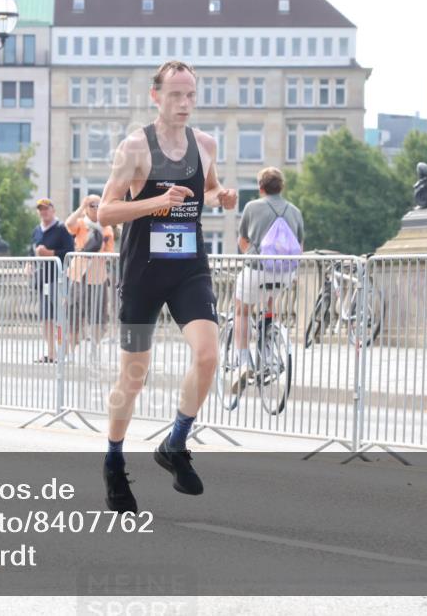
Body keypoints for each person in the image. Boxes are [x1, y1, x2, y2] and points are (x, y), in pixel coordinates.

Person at [97, 60, 237, 513]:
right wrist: (157, 201)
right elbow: (105, 212)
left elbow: (208, 189)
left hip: (188, 269)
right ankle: (114, 461)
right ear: (155, 96)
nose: (184, 103)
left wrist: (221, 196)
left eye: (191, 94)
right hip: (142, 273)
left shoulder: (206, 144)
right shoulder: (135, 147)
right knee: (134, 376)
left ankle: (175, 443)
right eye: (175, 94)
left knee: (208, 355)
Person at [232, 167, 304, 389]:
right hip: (286, 273)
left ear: (260, 187)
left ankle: (244, 363)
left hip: (257, 269)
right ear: (282, 187)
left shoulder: (252, 207)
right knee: (271, 298)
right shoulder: (295, 211)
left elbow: (243, 241)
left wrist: (250, 255)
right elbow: (300, 246)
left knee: (242, 311)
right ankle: (268, 345)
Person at [64, 194, 115, 355]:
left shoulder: (107, 228)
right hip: (78, 275)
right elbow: (68, 224)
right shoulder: (80, 223)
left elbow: (110, 253)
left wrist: (99, 254)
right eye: (92, 205)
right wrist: (81, 206)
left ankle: (94, 348)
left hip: (98, 276)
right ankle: (72, 351)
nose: (95, 208)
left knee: (99, 316)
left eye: (98, 205)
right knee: (73, 314)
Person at [30, 198, 75, 363]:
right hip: (43, 280)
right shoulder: (37, 230)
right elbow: (31, 251)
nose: (43, 212)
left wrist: (50, 253)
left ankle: (65, 352)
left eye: (46, 208)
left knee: (61, 317)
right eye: (41, 209)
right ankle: (51, 353)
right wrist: (29, 263)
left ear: (53, 210)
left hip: (58, 278)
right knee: (46, 318)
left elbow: (70, 252)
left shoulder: (62, 229)